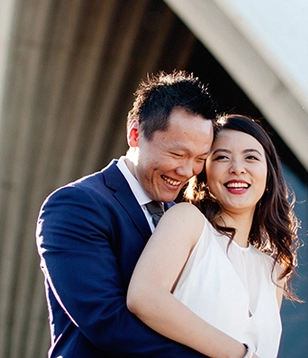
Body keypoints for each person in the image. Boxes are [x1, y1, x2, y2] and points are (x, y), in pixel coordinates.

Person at [36, 71, 217, 357]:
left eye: (200, 159)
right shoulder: (76, 206)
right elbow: (107, 322)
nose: (187, 171)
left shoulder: (179, 218)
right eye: (178, 155)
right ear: (135, 134)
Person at [127, 114, 300, 358]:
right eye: (222, 157)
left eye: (250, 157)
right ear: (205, 172)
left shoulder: (273, 272)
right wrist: (239, 354)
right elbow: (143, 297)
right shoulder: (187, 222)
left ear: (268, 173)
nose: (237, 168)